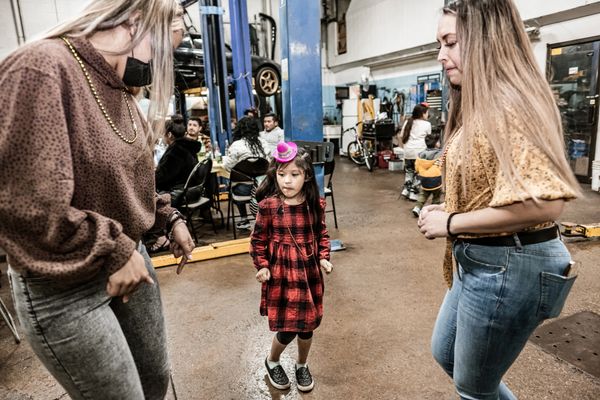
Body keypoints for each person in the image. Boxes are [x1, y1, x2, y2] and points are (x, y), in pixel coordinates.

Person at [0, 1, 196, 399]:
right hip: (64, 282)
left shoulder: (119, 90)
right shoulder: (42, 69)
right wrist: (115, 250)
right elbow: (27, 206)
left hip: (127, 258)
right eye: (163, 49)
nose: (160, 64)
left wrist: (167, 217)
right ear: (135, 22)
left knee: (154, 380)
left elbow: (129, 178)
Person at [418, 1, 581, 399]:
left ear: (485, 40)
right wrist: (453, 208)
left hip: (511, 261)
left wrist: (451, 223)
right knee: (445, 352)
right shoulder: (480, 104)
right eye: (440, 44)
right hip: (480, 257)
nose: (441, 55)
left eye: (451, 43)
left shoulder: (511, 104)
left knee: (474, 387)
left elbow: (544, 203)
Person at [250, 141, 333, 392]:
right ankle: (272, 360)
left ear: (306, 176)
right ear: (274, 174)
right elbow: (257, 240)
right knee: (287, 330)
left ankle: (302, 364)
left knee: (307, 328)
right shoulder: (268, 207)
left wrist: (323, 256)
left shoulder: (315, 205)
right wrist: (262, 266)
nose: (287, 180)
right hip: (281, 276)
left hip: (308, 274)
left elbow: (322, 234)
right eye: (281, 174)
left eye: (294, 174)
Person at [223, 116, 269, 230]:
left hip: (243, 190)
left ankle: (244, 219)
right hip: (263, 188)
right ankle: (263, 217)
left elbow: (228, 167)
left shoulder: (236, 145)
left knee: (235, 183)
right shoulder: (264, 143)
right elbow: (269, 163)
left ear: (239, 129)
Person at [155, 117, 201, 204]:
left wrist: (153, 173)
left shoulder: (175, 151)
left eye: (162, 134)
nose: (162, 137)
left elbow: (161, 178)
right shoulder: (187, 146)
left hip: (179, 194)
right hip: (192, 190)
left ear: (169, 134)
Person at [400, 103, 431, 201]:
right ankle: (413, 193)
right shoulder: (427, 124)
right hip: (419, 152)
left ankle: (406, 190)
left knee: (409, 171)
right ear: (422, 113)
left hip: (408, 152)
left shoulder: (408, 122)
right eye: (427, 113)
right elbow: (429, 138)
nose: (428, 115)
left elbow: (401, 136)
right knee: (418, 173)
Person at [412, 133, 442, 217]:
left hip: (424, 179)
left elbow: (416, 167)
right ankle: (434, 211)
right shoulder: (440, 154)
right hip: (436, 179)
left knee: (423, 194)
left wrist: (419, 171)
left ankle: (417, 208)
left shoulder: (421, 154)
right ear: (436, 144)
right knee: (436, 196)